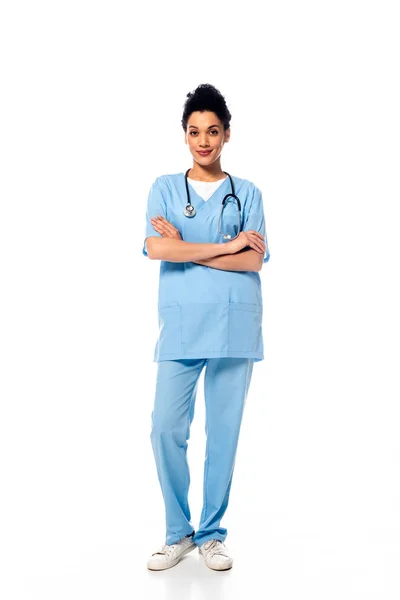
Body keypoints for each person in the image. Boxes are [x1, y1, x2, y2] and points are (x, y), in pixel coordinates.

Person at [142, 83, 270, 571]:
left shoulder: (249, 192)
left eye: (213, 131)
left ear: (227, 135)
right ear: (184, 136)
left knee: (223, 435)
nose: (204, 141)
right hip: (179, 327)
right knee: (164, 429)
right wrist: (224, 246)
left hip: (234, 327)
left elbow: (255, 261)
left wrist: (191, 247)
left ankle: (212, 534)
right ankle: (179, 533)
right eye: (195, 131)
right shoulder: (164, 189)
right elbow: (156, 249)